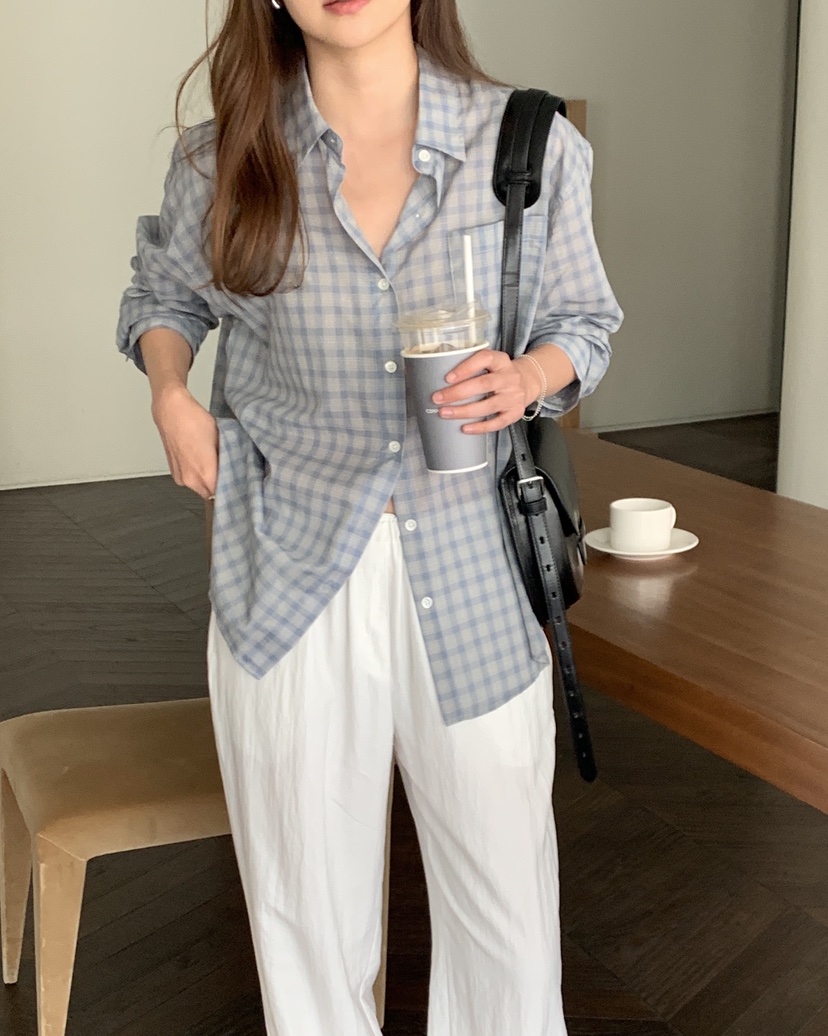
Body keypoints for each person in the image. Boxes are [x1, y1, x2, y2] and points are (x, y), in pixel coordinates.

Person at [117, 0, 622, 1032]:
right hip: (288, 565)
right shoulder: (224, 157)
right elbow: (162, 297)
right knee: (304, 912)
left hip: (474, 571)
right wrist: (171, 393)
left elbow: (585, 322)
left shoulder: (527, 141)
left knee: (508, 916)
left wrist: (528, 376)